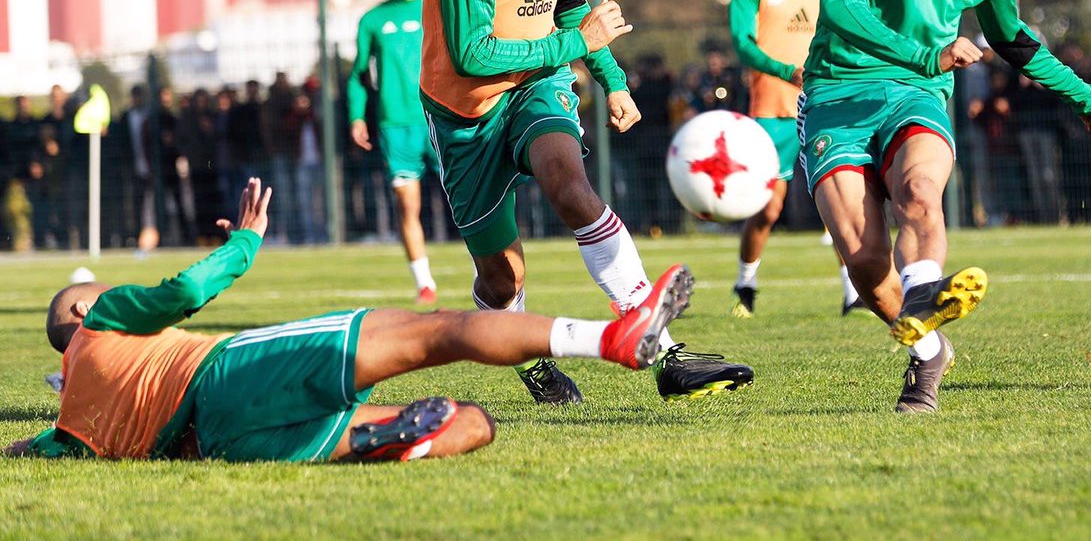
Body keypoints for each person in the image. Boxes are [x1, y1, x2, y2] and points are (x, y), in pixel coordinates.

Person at [420, 0, 753, 404]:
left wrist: (613, 78)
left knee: (568, 182)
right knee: (502, 278)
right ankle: (527, 357)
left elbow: (569, 2)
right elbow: (472, 55)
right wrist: (576, 42)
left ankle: (662, 346)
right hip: (465, 109)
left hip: (537, 86)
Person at [4, 178, 694, 462]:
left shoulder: (68, 425)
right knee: (439, 331)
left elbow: (28, 452)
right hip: (225, 377)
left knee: (474, 421)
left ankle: (401, 439)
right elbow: (185, 289)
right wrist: (244, 239)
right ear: (83, 309)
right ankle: (611, 337)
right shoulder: (104, 317)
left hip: (216, 445)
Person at [800, 0, 1091, 413]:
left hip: (917, 91)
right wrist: (926, 51)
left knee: (920, 192)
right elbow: (841, 1)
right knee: (864, 258)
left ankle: (924, 291)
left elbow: (1013, 38)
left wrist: (1088, 98)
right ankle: (929, 353)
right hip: (837, 90)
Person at [727, 0, 862, 319]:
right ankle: (746, 282)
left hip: (823, 107)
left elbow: (847, 34)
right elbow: (742, 43)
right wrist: (787, 71)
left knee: (839, 202)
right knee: (768, 208)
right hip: (771, 112)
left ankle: (852, 293)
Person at [348, 0, 440, 303]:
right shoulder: (373, 20)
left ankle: (486, 271)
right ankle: (425, 284)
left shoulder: (439, 7)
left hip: (439, 117)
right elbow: (357, 76)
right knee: (407, 204)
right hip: (395, 125)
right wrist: (357, 116)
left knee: (466, 200)